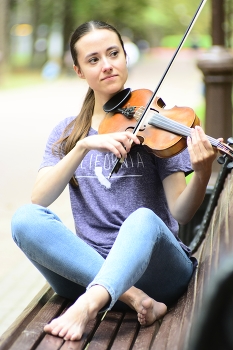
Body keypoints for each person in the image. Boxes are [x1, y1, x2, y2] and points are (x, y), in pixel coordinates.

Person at [11, 20, 218, 342]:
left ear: (125, 56)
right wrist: (81, 147)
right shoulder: (67, 133)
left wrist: (203, 171)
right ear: (79, 70)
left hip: (157, 270)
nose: (107, 65)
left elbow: (180, 212)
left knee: (143, 219)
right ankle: (132, 298)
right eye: (93, 60)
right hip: (88, 268)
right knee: (24, 218)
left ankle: (89, 306)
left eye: (113, 53)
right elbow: (39, 198)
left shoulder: (158, 125)